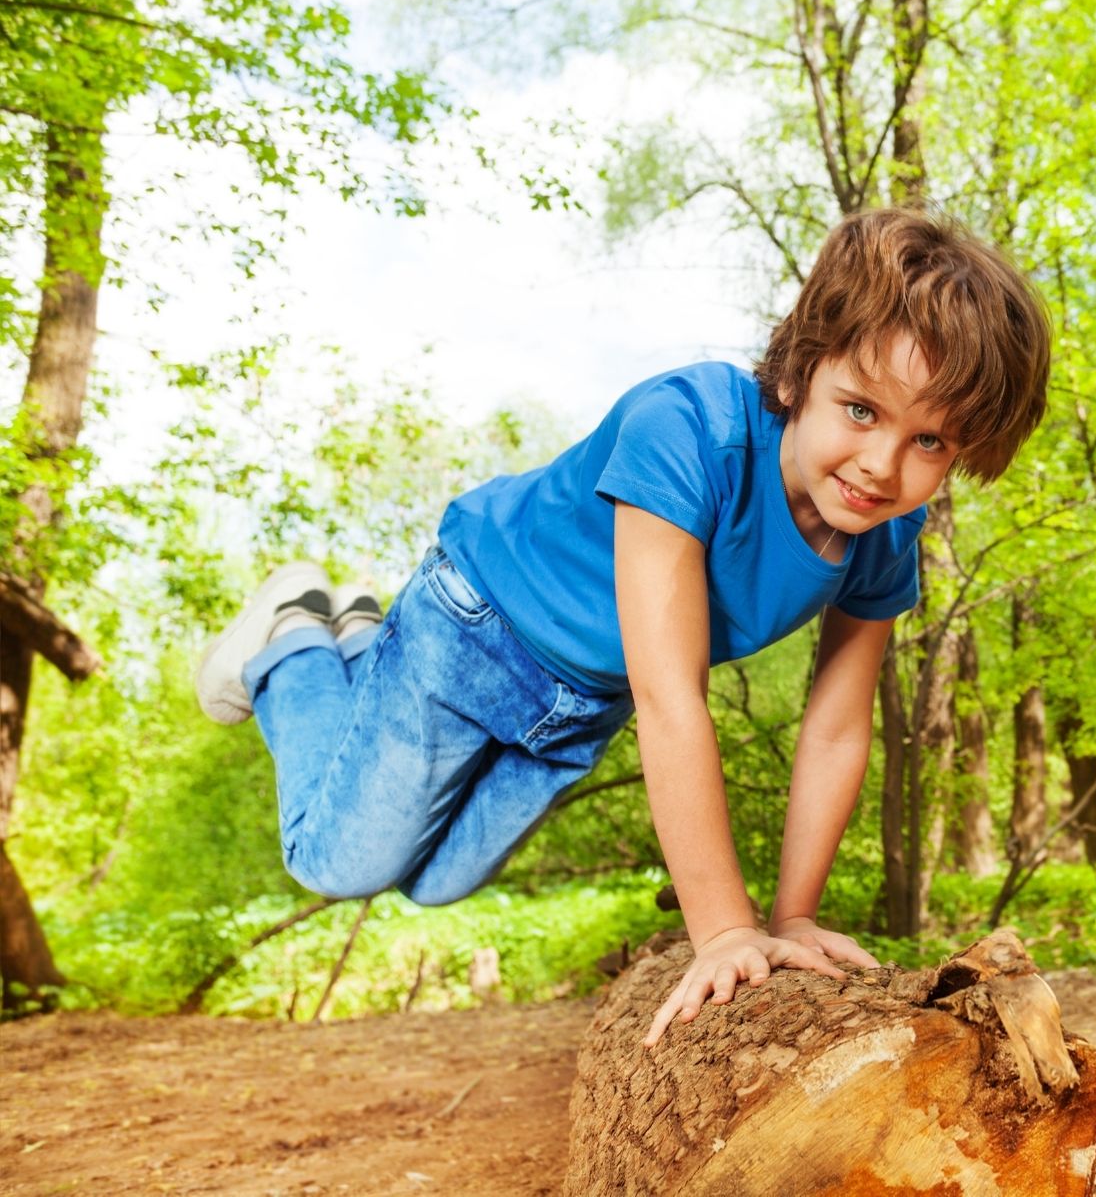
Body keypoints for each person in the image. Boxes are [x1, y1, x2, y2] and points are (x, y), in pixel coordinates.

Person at [195, 207, 1052, 1044]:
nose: (881, 464)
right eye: (860, 410)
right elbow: (670, 693)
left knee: (438, 882)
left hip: (580, 705)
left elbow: (833, 731)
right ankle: (294, 642)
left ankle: (351, 635)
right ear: (797, 373)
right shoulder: (689, 427)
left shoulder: (882, 537)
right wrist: (723, 931)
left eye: (930, 441)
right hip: (475, 629)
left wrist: (791, 918)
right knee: (335, 864)